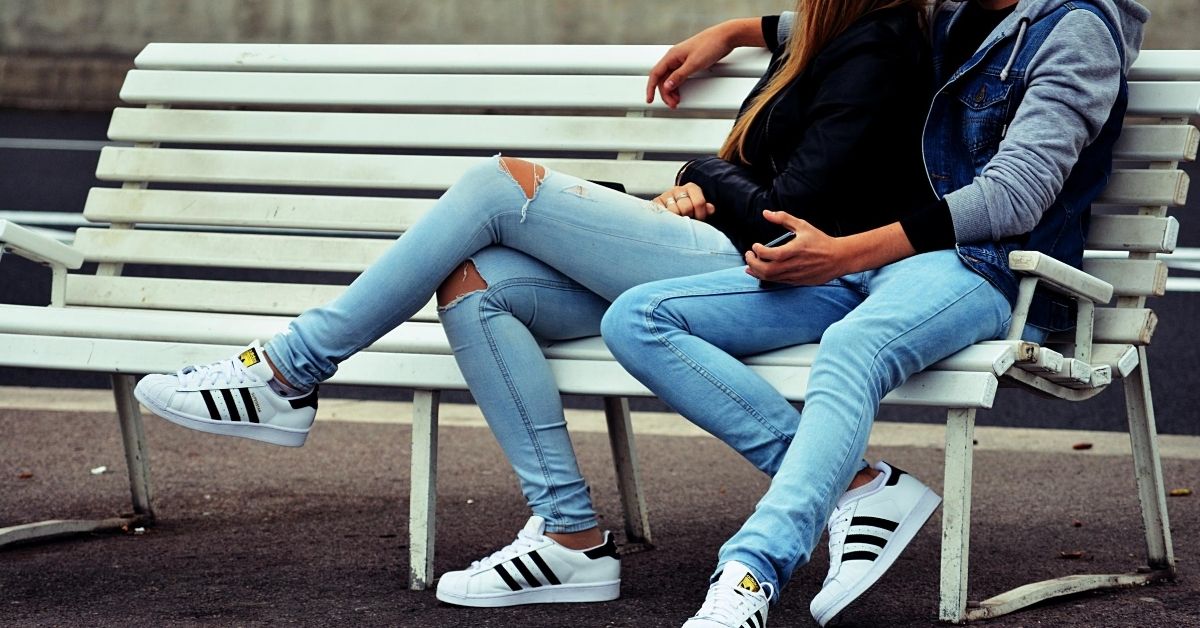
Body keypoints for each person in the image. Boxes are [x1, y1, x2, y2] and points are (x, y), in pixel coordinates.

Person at [132, 0, 934, 610]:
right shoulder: (832, 31)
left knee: (498, 183)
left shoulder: (879, 49)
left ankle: (290, 371)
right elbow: (800, 30)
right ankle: (569, 537)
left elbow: (790, 208)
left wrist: (700, 178)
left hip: (760, 268)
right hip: (716, 251)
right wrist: (732, 31)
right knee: (478, 284)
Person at [602, 0, 1146, 625]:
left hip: (991, 270)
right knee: (639, 319)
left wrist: (841, 255)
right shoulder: (950, 11)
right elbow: (835, 17)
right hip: (874, 258)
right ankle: (858, 484)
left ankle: (752, 572)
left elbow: (1015, 196)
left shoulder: (1075, 33)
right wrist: (731, 32)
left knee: (851, 347)